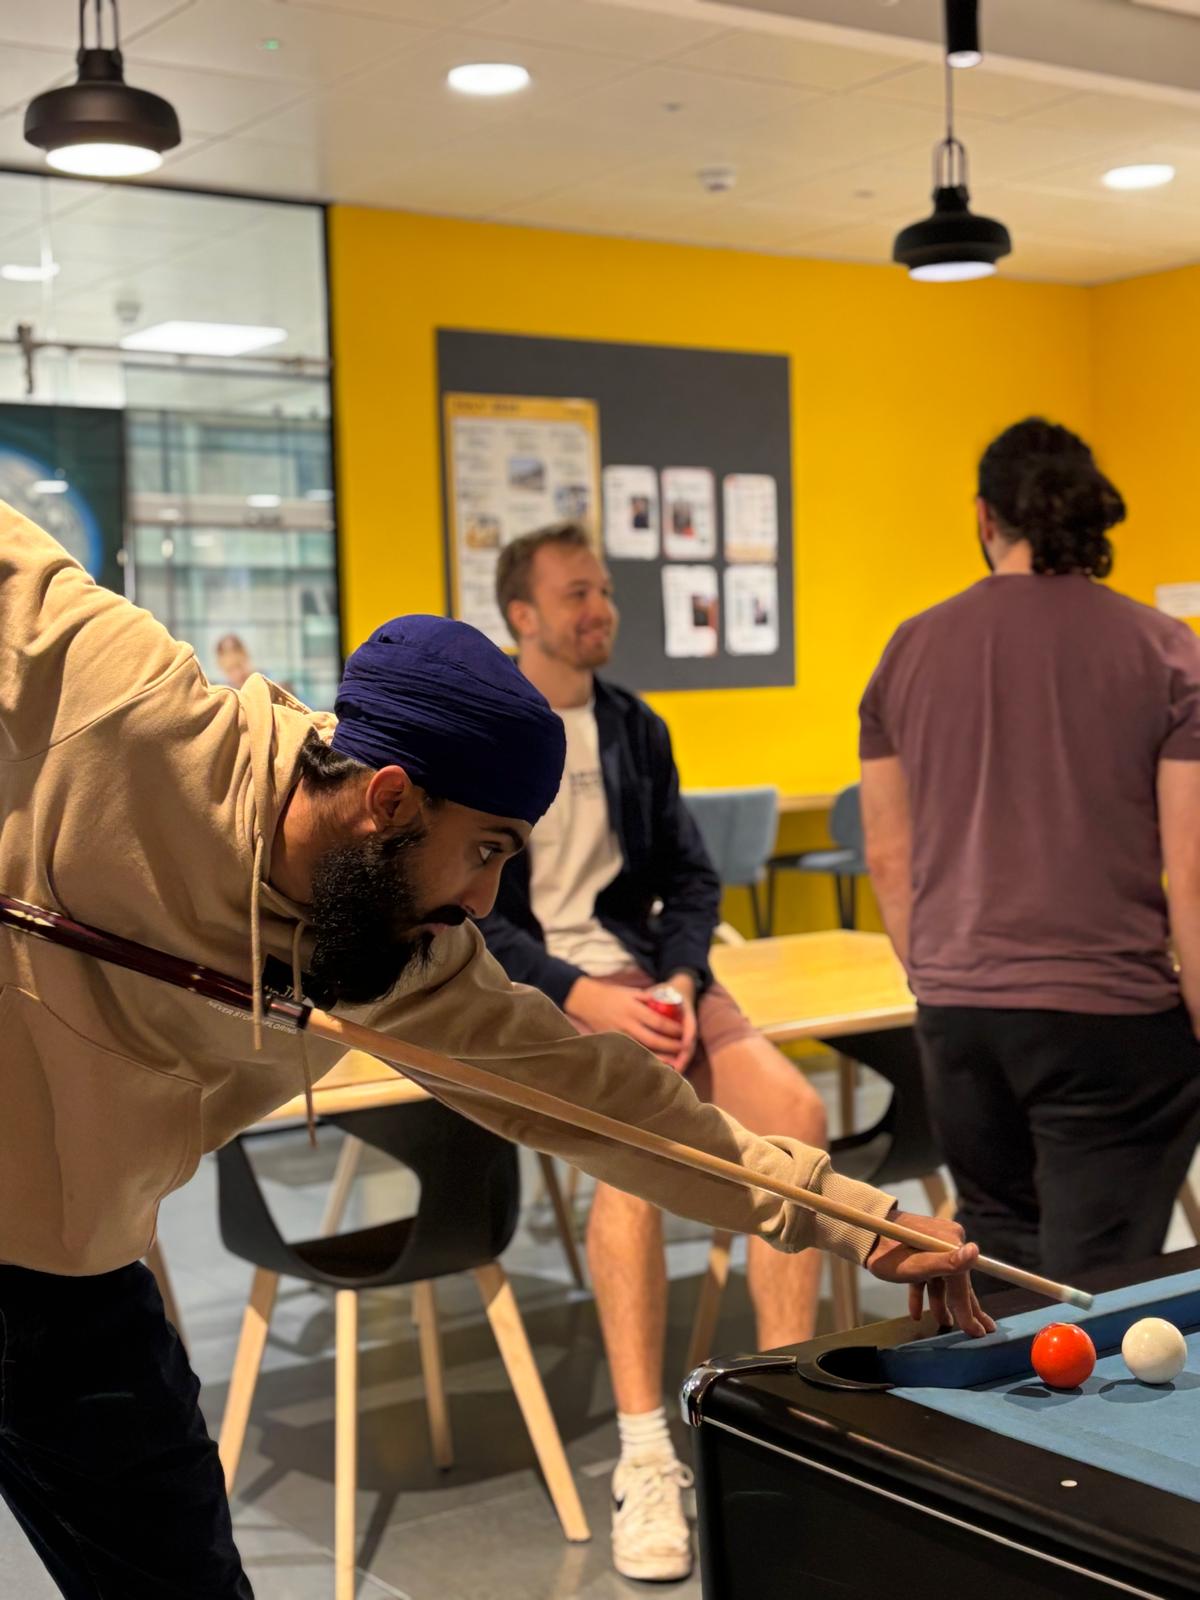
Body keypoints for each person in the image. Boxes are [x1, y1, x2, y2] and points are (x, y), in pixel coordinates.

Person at [0, 506, 986, 1600]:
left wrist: (854, 1216)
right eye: (483, 852)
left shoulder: (410, 958)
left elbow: (607, 1104)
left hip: (64, 1283)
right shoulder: (125, 696)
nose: (482, 899)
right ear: (386, 801)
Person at [482, 522, 833, 1581]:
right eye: (577, 592)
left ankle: (774, 1414)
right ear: (522, 615)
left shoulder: (635, 727)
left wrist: (678, 978)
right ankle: (645, 1454)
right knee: (630, 1156)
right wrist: (581, 991)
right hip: (548, 992)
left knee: (799, 1120)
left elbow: (689, 879)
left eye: (605, 592)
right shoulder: (489, 732)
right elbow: (469, 919)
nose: (601, 609)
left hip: (659, 982)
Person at [860, 416, 1200, 1292]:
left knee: (1000, 1265)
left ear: (985, 518)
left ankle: (1001, 1431)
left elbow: (889, 859)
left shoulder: (908, 651)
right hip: (1111, 1022)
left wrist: (940, 980)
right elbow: (1192, 871)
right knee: (1100, 1286)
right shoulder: (1167, 652)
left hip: (963, 1017)